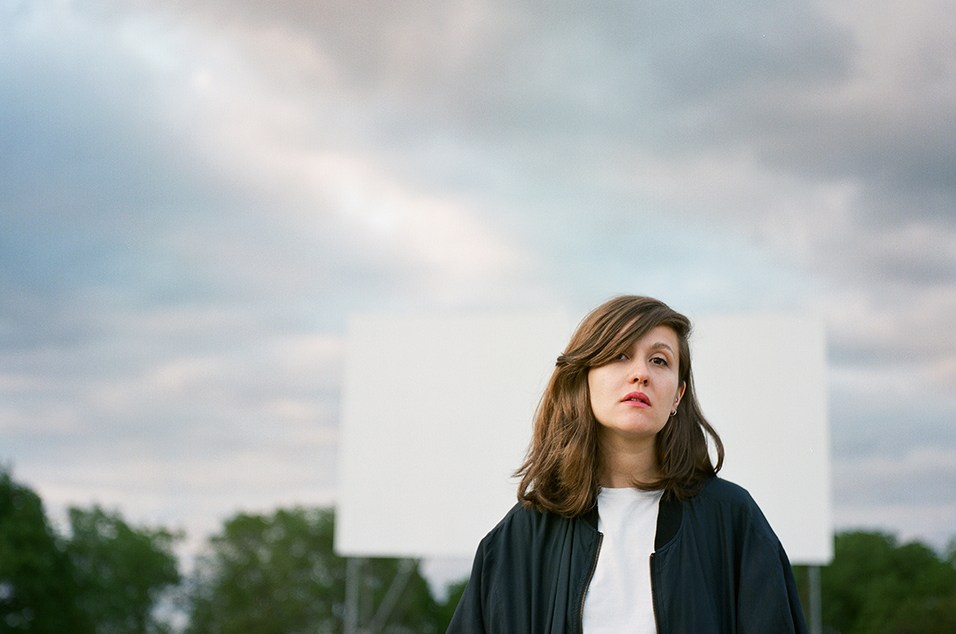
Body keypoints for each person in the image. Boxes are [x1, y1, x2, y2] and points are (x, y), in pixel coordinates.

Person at [447, 295, 808, 633]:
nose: (640, 373)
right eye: (620, 355)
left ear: (678, 395)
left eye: (659, 360)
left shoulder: (733, 519)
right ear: (584, 377)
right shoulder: (521, 535)